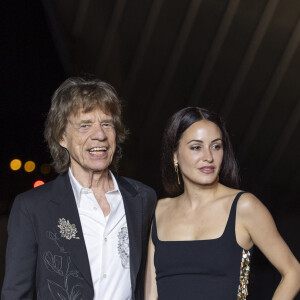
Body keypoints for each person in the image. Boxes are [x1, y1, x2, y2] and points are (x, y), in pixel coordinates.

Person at [2, 77, 157, 300]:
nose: (100, 135)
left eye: (107, 124)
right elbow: (16, 294)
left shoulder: (142, 198)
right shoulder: (33, 207)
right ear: (61, 136)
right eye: (85, 125)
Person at [144, 107, 300, 300]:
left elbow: (294, 272)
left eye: (216, 146)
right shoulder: (158, 210)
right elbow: (150, 293)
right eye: (196, 147)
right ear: (175, 155)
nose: (208, 157)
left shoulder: (244, 206)